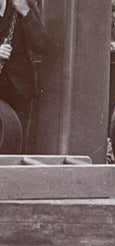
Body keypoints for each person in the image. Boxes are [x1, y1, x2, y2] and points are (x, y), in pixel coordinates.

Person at [0, 0, 45, 151]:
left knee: (18, 143)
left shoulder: (22, 7)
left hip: (18, 89)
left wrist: (26, 13)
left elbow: (40, 45)